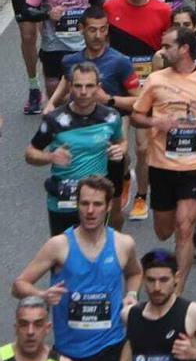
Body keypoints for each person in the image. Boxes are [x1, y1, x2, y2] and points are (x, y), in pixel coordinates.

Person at [129, 27, 196, 292]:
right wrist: (156, 120)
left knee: (184, 227)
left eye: (167, 47)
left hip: (195, 164)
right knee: (164, 231)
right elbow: (136, 115)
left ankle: (176, 291)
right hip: (161, 164)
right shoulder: (155, 80)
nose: (162, 52)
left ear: (184, 48)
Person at [10, 175, 141, 361]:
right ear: (77, 205)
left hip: (109, 346)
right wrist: (43, 294)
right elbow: (19, 285)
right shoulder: (58, 245)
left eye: (97, 204)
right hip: (67, 352)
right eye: (84, 203)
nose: (90, 211)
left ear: (108, 206)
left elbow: (135, 272)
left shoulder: (123, 244)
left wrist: (132, 294)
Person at [26, 60, 126, 235]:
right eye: (78, 86)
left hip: (95, 200)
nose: (84, 92)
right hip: (63, 202)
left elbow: (121, 141)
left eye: (89, 86)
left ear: (98, 87)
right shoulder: (55, 119)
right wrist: (50, 157)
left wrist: (120, 150)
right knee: (63, 256)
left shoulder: (111, 117)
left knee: (95, 253)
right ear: (70, 87)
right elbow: (30, 153)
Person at [0, 295, 75, 361]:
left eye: (38, 325)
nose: (30, 331)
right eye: (24, 325)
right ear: (16, 328)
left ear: (48, 328)